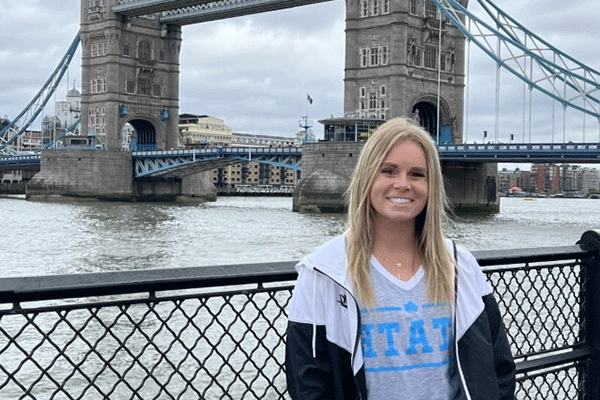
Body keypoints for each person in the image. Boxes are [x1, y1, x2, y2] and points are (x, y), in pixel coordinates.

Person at [285, 117, 515, 399]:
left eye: (417, 174)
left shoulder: (462, 268)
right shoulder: (323, 272)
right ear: (367, 178)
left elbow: (500, 371)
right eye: (388, 171)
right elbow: (307, 384)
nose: (402, 184)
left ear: (432, 185)